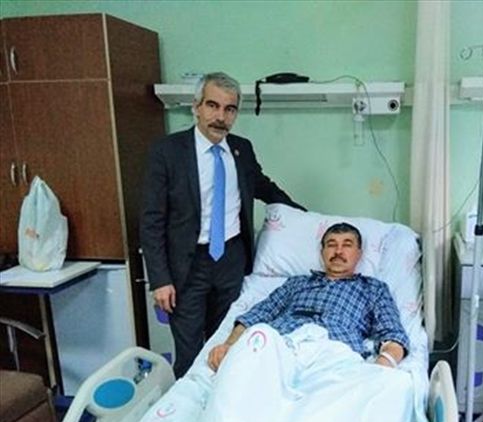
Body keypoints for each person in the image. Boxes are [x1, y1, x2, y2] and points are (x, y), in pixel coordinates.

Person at [141, 71, 304, 378]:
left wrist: (306, 217)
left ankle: (220, 398)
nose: (220, 117)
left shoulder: (242, 150)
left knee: (227, 345)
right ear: (196, 107)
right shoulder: (168, 152)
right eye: (212, 106)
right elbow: (151, 220)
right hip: (186, 267)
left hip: (231, 261)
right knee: (189, 352)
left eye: (229, 109)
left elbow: (264, 188)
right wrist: (159, 279)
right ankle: (185, 404)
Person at [207, 222, 409, 371]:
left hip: (333, 354)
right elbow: (258, 314)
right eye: (331, 244)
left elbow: (393, 334)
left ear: (359, 253)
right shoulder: (297, 283)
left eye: (347, 245)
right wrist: (229, 345)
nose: (338, 251)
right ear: (322, 252)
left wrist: (381, 367)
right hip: (279, 349)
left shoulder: (373, 288)